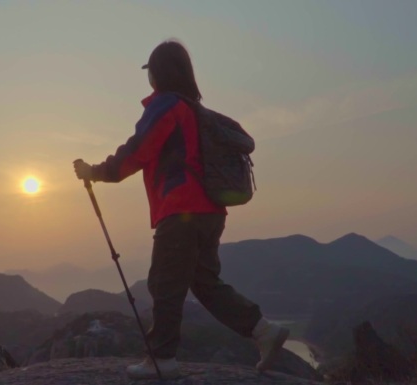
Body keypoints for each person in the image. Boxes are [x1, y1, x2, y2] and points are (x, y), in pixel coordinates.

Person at [73, 39, 289, 380]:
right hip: (212, 211)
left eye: (151, 71)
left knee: (164, 282)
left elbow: (137, 151)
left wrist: (96, 172)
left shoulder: (165, 106)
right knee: (204, 282)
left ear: (158, 73)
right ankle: (263, 330)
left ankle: (162, 359)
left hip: (181, 209)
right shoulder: (195, 110)